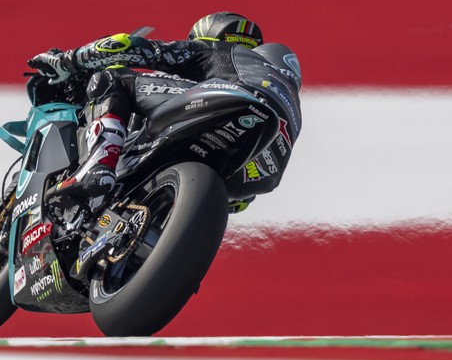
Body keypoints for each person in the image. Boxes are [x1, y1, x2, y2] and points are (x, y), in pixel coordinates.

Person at [27, 11, 302, 214]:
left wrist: (68, 61)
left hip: (226, 103)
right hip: (256, 174)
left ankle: (98, 165)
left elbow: (128, 47)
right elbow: (238, 202)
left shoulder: (218, 50)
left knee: (113, 78)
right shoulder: (291, 111)